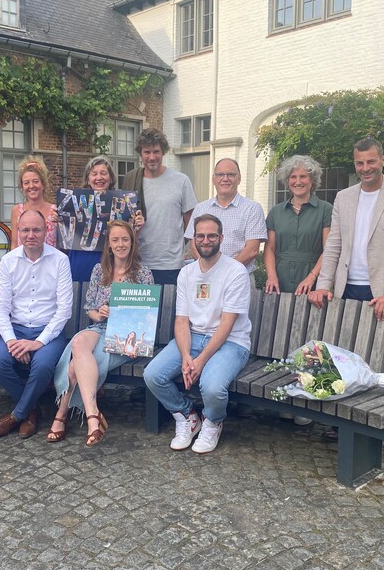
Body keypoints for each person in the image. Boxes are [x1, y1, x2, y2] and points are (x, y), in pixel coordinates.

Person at [143, 214, 252, 454]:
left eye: (211, 235)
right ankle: (187, 415)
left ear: (221, 238)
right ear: (193, 239)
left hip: (231, 342)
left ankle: (213, 421)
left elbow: (227, 324)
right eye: (200, 235)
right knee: (152, 375)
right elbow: (181, 321)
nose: (206, 240)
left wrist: (200, 361)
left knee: (212, 387)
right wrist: (185, 357)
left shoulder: (235, 271)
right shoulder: (187, 273)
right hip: (192, 338)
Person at [48, 220, 153, 445]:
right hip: (100, 327)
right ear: (109, 245)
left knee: (75, 366)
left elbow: (147, 316)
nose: (121, 244)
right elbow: (90, 310)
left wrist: (131, 329)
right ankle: (93, 414)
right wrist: (101, 313)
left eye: (125, 239)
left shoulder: (143, 274)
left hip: (125, 337)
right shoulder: (100, 270)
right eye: (115, 240)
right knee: (78, 342)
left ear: (132, 242)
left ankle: (61, 416)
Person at [308, 137, 384, 322]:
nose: (365, 168)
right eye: (360, 163)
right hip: (346, 289)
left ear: (382, 160)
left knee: (382, 350)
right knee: (344, 348)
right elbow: (334, 245)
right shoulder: (343, 197)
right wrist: (323, 285)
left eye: (371, 161)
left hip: (383, 292)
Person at [0, 210, 73, 440]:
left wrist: (37, 343)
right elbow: (0, 307)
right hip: (17, 329)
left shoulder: (60, 260)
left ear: (45, 232)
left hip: (48, 333)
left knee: (42, 366)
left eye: (36, 230)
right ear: (18, 232)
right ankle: (32, 409)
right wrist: (12, 341)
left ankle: (16, 415)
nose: (30, 235)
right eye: (25, 230)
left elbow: (64, 310)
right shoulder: (8, 261)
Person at [122, 129, 197, 284]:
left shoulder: (181, 181)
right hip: (137, 262)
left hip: (170, 264)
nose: (152, 157)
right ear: (140, 153)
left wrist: (177, 246)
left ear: (163, 152)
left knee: (168, 306)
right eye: (147, 152)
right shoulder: (130, 180)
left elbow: (190, 220)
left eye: (156, 152)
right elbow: (123, 219)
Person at [68, 156, 145, 282]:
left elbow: (129, 240)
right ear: (88, 179)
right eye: (94, 174)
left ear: (111, 178)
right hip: (82, 261)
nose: (99, 178)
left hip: (112, 264)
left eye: (104, 173)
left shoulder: (123, 203)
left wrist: (137, 228)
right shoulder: (74, 202)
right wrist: (59, 219)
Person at [264, 155, 333, 295]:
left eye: (303, 177)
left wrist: (311, 278)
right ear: (287, 180)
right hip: (280, 282)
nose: (298, 182)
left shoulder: (326, 210)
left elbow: (329, 250)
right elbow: (269, 249)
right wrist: (271, 276)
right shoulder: (276, 212)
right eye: (293, 177)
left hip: (313, 283)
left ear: (312, 180)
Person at [184, 158, 267, 273]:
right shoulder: (200, 208)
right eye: (220, 175)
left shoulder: (252, 208)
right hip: (206, 277)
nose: (225, 179)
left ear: (239, 178)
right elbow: (194, 246)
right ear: (213, 179)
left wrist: (224, 273)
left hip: (239, 278)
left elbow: (252, 250)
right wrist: (210, 271)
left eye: (231, 175)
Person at [10, 157, 58, 249]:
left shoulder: (55, 211)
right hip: (24, 262)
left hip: (50, 262)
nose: (31, 186)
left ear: (43, 184)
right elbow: (14, 244)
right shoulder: (16, 210)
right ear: (22, 187)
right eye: (26, 183)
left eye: (35, 181)